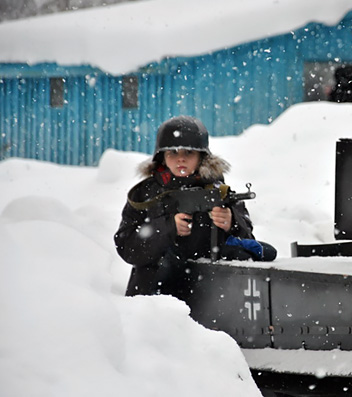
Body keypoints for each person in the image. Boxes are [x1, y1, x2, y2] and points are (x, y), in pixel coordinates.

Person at [114, 115, 276, 300]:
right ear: (162, 158)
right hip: (154, 299)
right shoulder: (144, 194)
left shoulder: (219, 191)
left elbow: (247, 237)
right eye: (173, 153)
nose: (180, 159)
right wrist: (168, 228)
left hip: (208, 295)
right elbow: (128, 248)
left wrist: (231, 222)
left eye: (189, 153)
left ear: (202, 157)